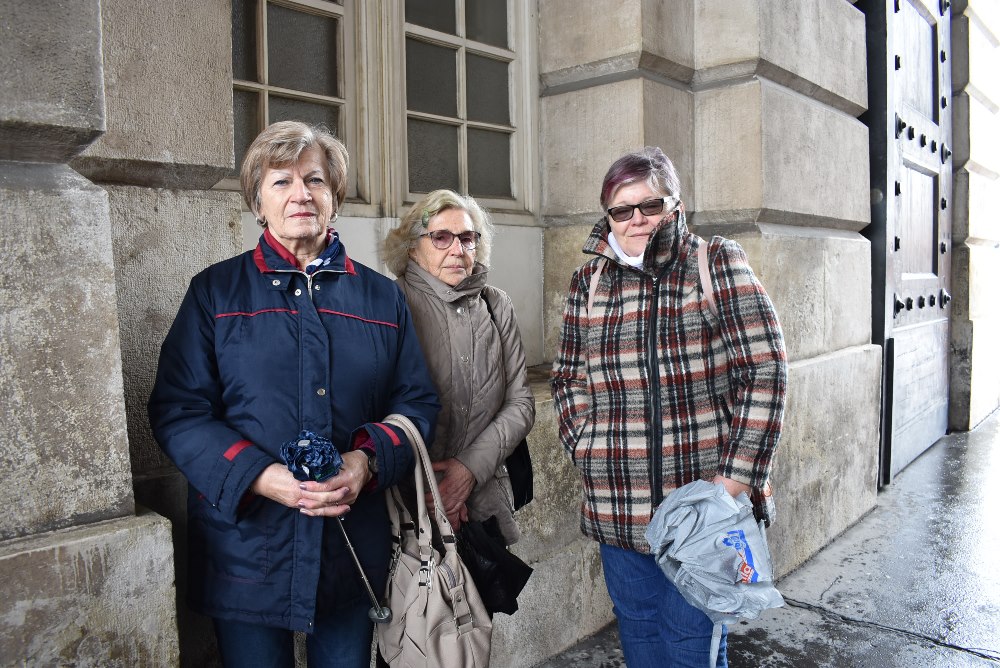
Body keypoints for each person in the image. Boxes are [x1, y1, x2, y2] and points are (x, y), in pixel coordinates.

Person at [148, 120, 439, 668]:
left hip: (351, 543)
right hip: (246, 546)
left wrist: (366, 461)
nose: (301, 194)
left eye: (315, 180)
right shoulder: (215, 292)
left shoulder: (382, 298)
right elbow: (178, 411)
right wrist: (259, 476)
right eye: (281, 181)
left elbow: (417, 404)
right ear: (258, 202)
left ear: (335, 197)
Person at [550, 147, 787, 668]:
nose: (636, 219)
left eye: (650, 205)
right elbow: (567, 378)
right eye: (621, 209)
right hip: (618, 502)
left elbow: (765, 370)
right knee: (639, 632)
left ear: (674, 205)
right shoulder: (588, 283)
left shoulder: (714, 262)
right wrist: (587, 446)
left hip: (702, 507)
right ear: (607, 216)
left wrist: (732, 482)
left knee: (691, 643)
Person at [381, 189, 535, 548]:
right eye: (441, 237)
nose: (457, 249)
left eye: (466, 238)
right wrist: (436, 492)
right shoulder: (390, 302)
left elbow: (521, 404)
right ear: (412, 247)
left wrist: (467, 471)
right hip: (409, 506)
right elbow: (378, 410)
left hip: (483, 501)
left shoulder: (496, 304)